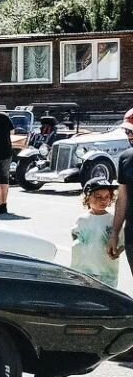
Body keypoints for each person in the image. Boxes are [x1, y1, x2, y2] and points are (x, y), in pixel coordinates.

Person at [73, 177, 120, 288]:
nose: (103, 200)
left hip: (107, 273)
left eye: (107, 196)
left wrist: (118, 251)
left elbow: (121, 243)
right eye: (98, 196)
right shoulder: (81, 220)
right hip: (85, 272)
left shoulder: (113, 221)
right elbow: (76, 247)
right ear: (87, 198)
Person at [109, 108, 133, 279]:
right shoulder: (125, 159)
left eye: (131, 131)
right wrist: (114, 234)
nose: (129, 136)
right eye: (127, 131)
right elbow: (122, 199)